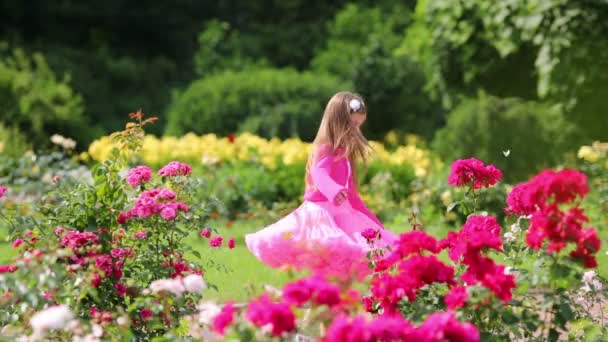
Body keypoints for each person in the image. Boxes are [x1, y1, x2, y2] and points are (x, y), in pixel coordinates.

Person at [245, 91, 398, 280]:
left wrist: (374, 223)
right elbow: (319, 173)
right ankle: (321, 294)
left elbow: (353, 196)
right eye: (353, 124)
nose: (356, 130)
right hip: (322, 214)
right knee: (328, 252)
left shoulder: (346, 155)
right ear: (338, 122)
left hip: (343, 213)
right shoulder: (326, 148)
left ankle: (335, 296)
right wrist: (334, 190)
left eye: (359, 125)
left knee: (349, 256)